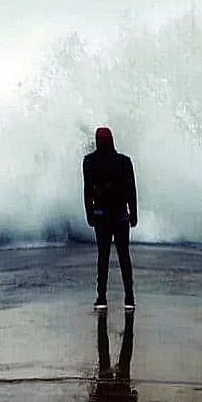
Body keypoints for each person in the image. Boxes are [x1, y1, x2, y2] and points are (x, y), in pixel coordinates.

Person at [81, 126, 137, 310]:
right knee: (124, 256)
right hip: (121, 215)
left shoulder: (89, 162)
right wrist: (134, 214)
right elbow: (131, 190)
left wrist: (89, 213)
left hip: (101, 216)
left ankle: (102, 297)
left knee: (103, 255)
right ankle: (129, 297)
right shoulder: (124, 161)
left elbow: (88, 190)